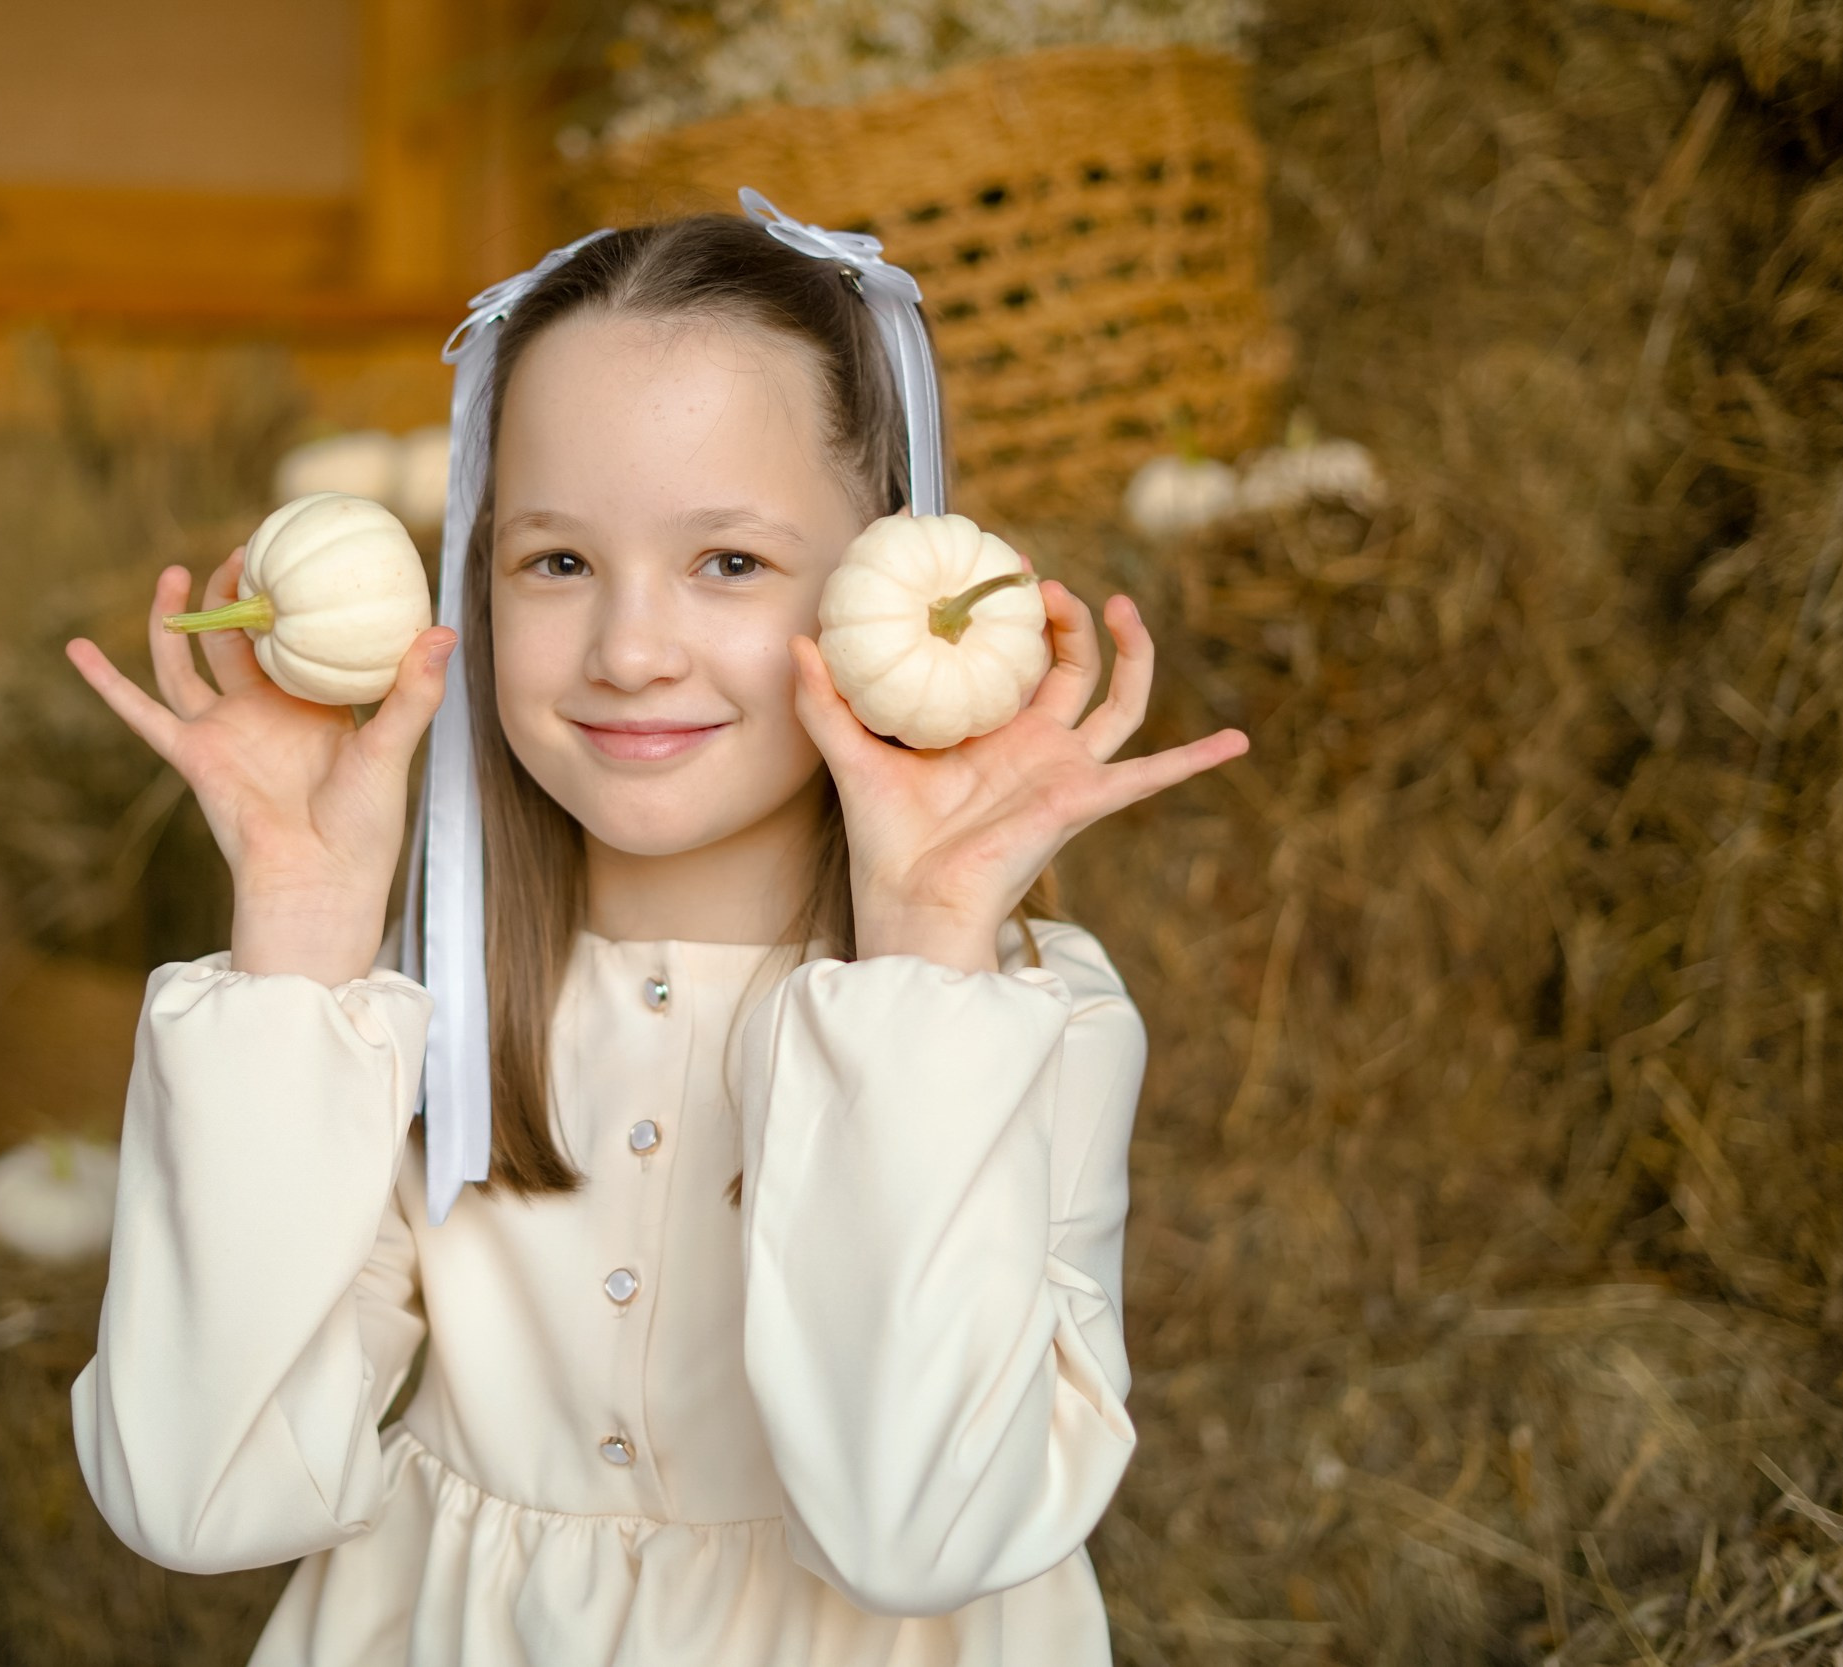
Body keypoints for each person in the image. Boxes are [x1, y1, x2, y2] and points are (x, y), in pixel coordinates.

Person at [61, 189, 1249, 1666]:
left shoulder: (1022, 1022)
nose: (629, 652)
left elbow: (917, 1538)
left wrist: (927, 941)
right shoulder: (403, 1013)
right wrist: (297, 925)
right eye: (557, 562)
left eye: (729, 563)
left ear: (890, 578)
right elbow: (196, 1496)